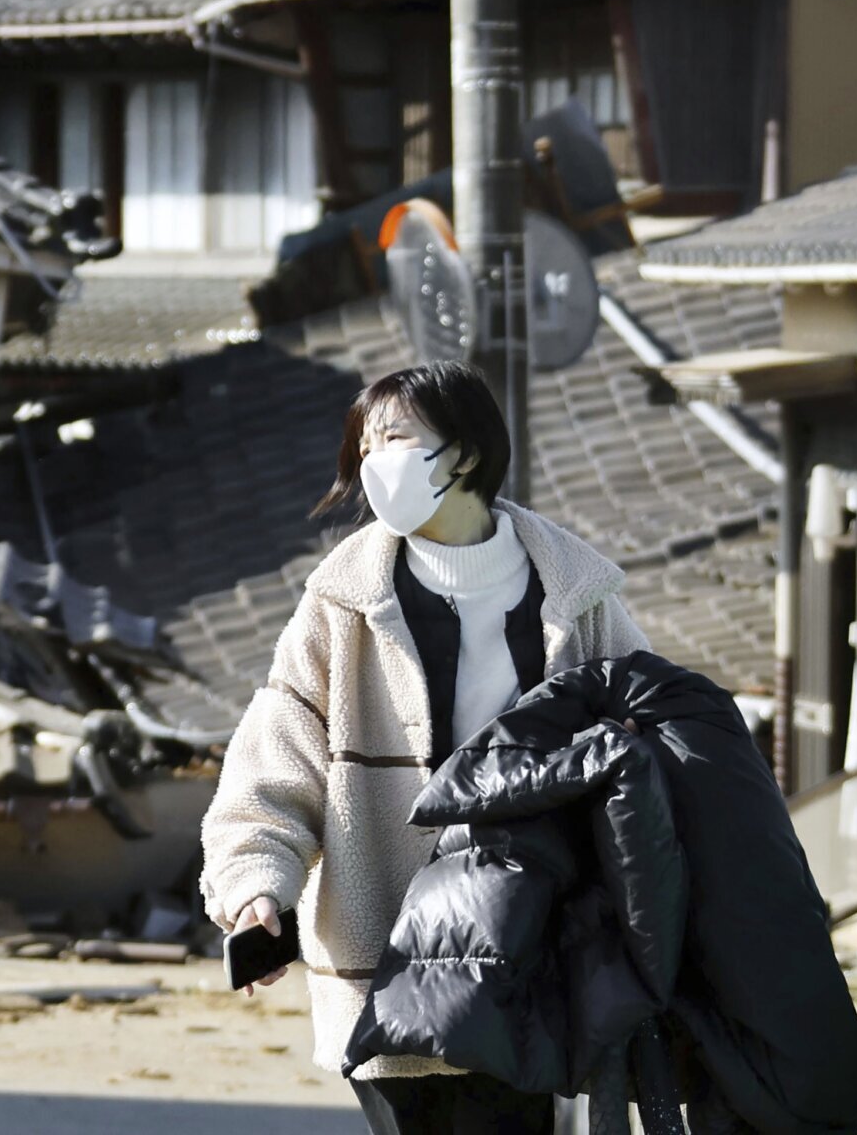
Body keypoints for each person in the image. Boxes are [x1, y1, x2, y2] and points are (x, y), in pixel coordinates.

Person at [198, 361, 650, 1135]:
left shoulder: (577, 596)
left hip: (531, 936)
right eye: (365, 446)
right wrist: (254, 886)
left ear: (465, 452)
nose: (375, 463)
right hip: (387, 946)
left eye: (396, 439)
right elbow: (275, 757)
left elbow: (654, 736)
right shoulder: (342, 603)